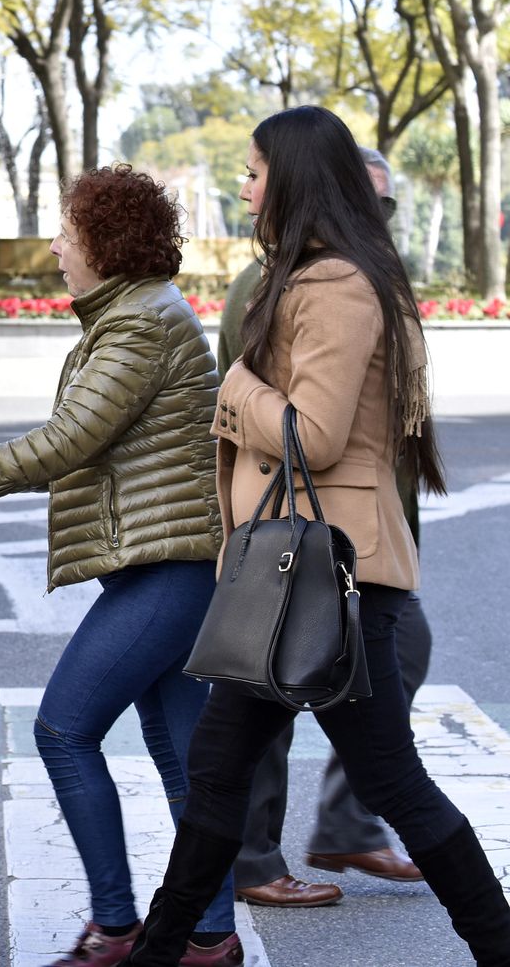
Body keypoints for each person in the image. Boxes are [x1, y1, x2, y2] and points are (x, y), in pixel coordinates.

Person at [125, 106, 510, 966]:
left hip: (332, 580)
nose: (246, 185)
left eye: (256, 170)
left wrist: (235, 390)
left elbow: (316, 435)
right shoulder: (304, 278)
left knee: (392, 783)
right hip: (292, 576)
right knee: (220, 774)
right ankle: (157, 952)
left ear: (294, 178)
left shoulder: (334, 286)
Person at [0, 165, 241, 967]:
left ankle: (116, 928)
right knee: (181, 758)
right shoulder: (132, 315)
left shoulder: (139, 324)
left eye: (67, 233)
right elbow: (87, 434)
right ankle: (210, 939)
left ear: (104, 241)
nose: (56, 247)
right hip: (162, 564)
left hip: (172, 567)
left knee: (62, 729)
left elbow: (70, 440)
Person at [219, 148, 428, 910]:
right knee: (250, 728)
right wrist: (240, 389)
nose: (244, 188)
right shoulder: (294, 283)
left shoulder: (355, 281)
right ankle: (251, 863)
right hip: (298, 544)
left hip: (346, 540)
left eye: (390, 204)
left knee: (386, 683)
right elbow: (265, 422)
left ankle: (341, 826)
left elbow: (369, 434)